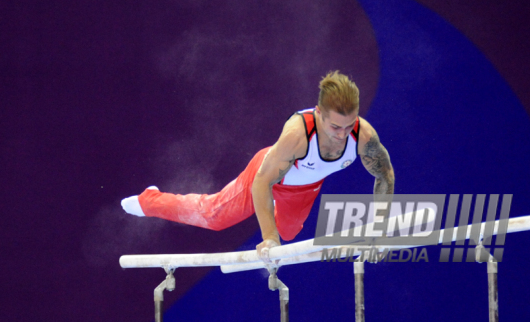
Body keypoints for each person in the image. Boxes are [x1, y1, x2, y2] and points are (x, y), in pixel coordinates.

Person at [121, 71, 395, 259]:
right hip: (266, 174)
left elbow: (385, 175)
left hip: (304, 188)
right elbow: (263, 181)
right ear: (319, 112)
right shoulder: (297, 136)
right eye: (335, 126)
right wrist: (268, 238)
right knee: (214, 217)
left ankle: (273, 211)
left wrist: (378, 229)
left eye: (349, 125)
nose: (342, 134)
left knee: (289, 233)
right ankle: (150, 201)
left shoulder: (364, 137)